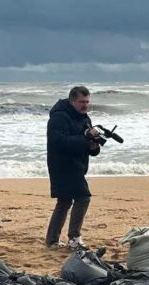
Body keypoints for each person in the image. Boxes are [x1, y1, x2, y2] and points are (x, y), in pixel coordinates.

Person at [45, 86, 101, 250]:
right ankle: (74, 237)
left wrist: (94, 146)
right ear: (72, 100)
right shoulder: (59, 117)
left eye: (87, 102)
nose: (85, 105)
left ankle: (52, 240)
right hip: (62, 165)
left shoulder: (84, 118)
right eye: (81, 102)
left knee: (64, 201)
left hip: (77, 164)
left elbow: (90, 146)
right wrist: (85, 139)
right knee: (83, 197)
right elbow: (58, 142)